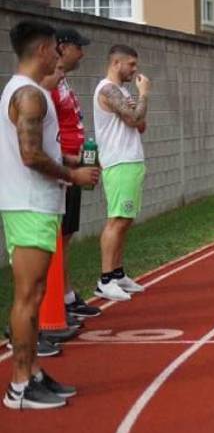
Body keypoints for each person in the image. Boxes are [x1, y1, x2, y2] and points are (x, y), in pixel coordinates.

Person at [2, 19, 99, 409]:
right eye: (56, 49)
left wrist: (71, 161)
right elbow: (30, 155)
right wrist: (71, 175)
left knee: (37, 293)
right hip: (29, 204)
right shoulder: (29, 96)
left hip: (35, 203)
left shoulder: (29, 92)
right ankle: (19, 385)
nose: (60, 55)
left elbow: (39, 149)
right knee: (28, 296)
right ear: (42, 49)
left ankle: (33, 372)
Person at [50, 29, 102, 319]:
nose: (82, 53)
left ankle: (66, 295)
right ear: (62, 47)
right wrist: (69, 159)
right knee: (57, 236)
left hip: (74, 163)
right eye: (78, 47)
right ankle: (56, 301)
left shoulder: (62, 81)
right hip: (63, 168)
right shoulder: (47, 84)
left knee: (66, 235)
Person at [93, 44, 149, 302]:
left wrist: (138, 106)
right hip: (118, 162)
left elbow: (140, 124)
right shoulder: (107, 90)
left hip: (131, 159)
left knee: (126, 220)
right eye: (131, 64)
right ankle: (105, 280)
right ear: (116, 63)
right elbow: (135, 119)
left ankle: (117, 273)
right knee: (117, 219)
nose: (135, 70)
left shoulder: (123, 91)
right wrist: (144, 94)